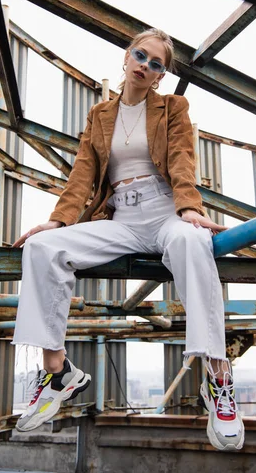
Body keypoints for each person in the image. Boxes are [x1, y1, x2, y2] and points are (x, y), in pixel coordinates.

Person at [12, 28, 244, 451]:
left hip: (164, 211)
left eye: (156, 64)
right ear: (126, 55)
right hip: (121, 216)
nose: (145, 66)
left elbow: (180, 156)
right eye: (141, 55)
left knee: (193, 242)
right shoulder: (100, 114)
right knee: (43, 247)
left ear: (160, 77)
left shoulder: (173, 107)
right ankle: (59, 371)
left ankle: (219, 378)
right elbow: (83, 172)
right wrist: (58, 220)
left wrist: (189, 207)